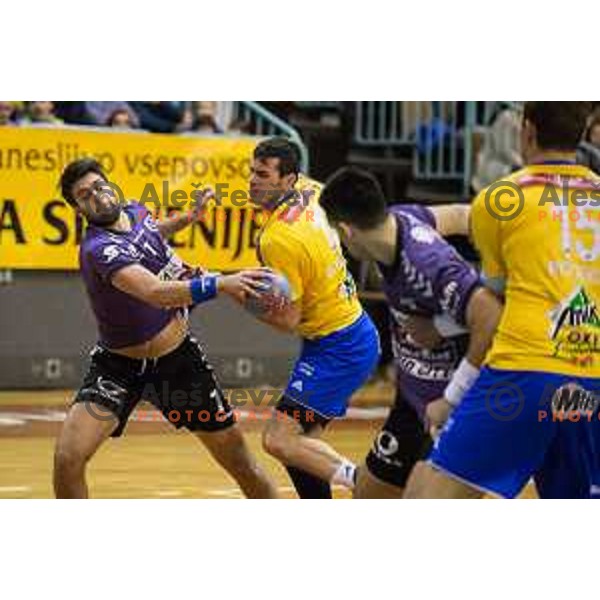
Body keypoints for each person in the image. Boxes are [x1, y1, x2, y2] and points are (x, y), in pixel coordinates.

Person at [405, 101, 600, 499]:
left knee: (428, 495)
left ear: (526, 130)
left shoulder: (499, 199)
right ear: (583, 133)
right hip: (592, 379)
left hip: (524, 371)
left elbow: (494, 299)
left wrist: (438, 331)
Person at [53, 158, 278, 499]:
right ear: (78, 210)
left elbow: (151, 232)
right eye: (85, 195)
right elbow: (155, 293)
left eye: (99, 186)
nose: (97, 196)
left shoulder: (136, 211)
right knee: (68, 458)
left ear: (111, 186)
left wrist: (187, 219)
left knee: (241, 463)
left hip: (178, 363)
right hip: (118, 369)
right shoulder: (98, 249)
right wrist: (222, 282)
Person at [319, 166, 503, 498]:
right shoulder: (403, 218)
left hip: (451, 405)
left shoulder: (426, 264)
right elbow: (463, 214)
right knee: (368, 493)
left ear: (346, 231)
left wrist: (442, 326)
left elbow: (491, 316)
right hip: (411, 400)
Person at [248, 137, 381, 498]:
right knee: (301, 447)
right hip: (349, 331)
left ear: (289, 179)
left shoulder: (278, 239)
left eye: (262, 174)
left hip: (339, 347)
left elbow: (288, 320)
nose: (252, 181)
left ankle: (363, 483)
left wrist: (243, 297)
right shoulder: (315, 191)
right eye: (251, 171)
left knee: (278, 440)